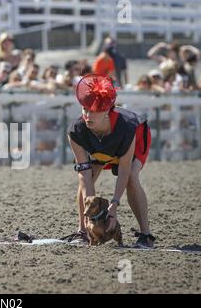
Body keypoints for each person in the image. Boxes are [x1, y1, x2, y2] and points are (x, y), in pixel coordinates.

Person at [64, 74, 155, 248]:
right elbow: (84, 176)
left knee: (132, 177)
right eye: (85, 109)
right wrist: (93, 217)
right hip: (100, 144)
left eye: (94, 111)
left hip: (135, 138)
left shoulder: (128, 128)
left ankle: (146, 235)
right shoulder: (76, 130)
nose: (87, 115)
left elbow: (124, 171)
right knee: (88, 177)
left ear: (106, 111)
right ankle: (83, 231)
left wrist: (113, 207)